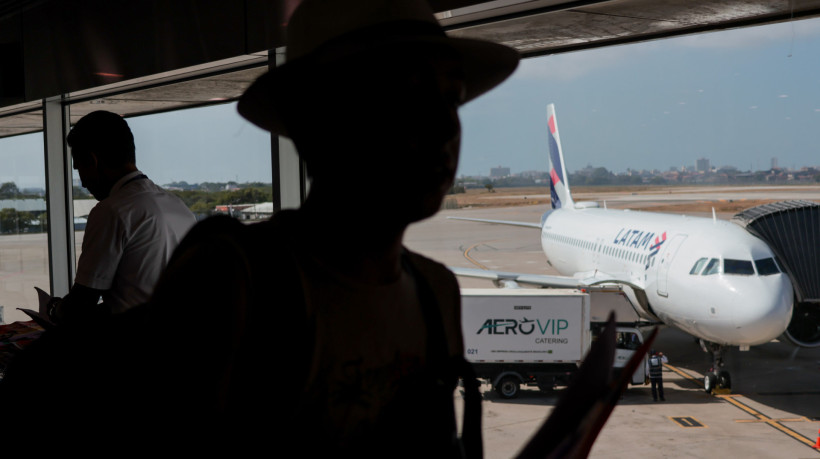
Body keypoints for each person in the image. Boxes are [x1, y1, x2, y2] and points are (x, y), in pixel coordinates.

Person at [136, 0, 519, 455]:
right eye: (407, 96)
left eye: (451, 98)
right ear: (317, 122)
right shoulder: (231, 283)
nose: (445, 128)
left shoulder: (437, 293)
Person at [48, 110, 196, 323]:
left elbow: (82, 302)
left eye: (79, 169)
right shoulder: (178, 206)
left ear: (93, 160)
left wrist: (54, 309)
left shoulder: (111, 211)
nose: (83, 183)